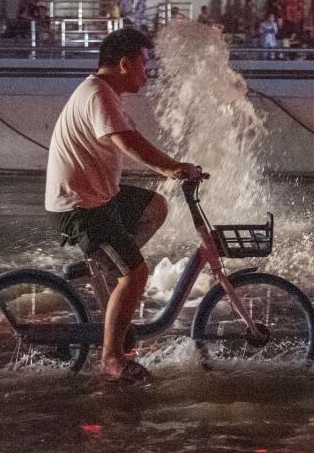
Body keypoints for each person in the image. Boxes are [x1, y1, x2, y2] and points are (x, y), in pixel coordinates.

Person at [45, 28, 201, 385]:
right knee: (137, 273)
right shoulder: (99, 94)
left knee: (155, 207)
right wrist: (172, 167)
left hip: (100, 198)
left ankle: (107, 266)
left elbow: (132, 140)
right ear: (124, 63)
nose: (148, 73)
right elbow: (128, 142)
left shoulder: (105, 93)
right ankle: (112, 358)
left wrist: (174, 167)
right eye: (144, 64)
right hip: (79, 206)